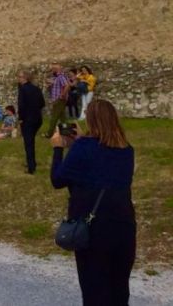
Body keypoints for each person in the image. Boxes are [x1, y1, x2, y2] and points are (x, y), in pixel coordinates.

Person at [51, 100, 136, 306]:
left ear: (90, 120)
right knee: (119, 290)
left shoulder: (83, 148)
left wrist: (58, 149)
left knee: (94, 292)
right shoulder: (127, 150)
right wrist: (82, 140)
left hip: (94, 230)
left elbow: (58, 180)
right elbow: (102, 169)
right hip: (124, 228)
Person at [17, 71, 46, 173]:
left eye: (19, 77)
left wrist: (21, 118)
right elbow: (42, 103)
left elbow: (21, 106)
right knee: (31, 141)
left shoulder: (23, 89)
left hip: (27, 120)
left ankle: (31, 167)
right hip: (37, 119)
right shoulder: (36, 88)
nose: (18, 79)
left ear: (25, 78)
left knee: (28, 143)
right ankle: (31, 162)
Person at [46, 63, 71, 135]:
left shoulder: (61, 76)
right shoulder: (56, 77)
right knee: (62, 117)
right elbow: (53, 88)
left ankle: (49, 133)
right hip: (56, 99)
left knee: (54, 116)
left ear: (57, 69)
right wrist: (49, 86)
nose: (52, 70)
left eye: (53, 69)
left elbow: (67, 86)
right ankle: (66, 131)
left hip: (59, 99)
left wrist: (62, 95)